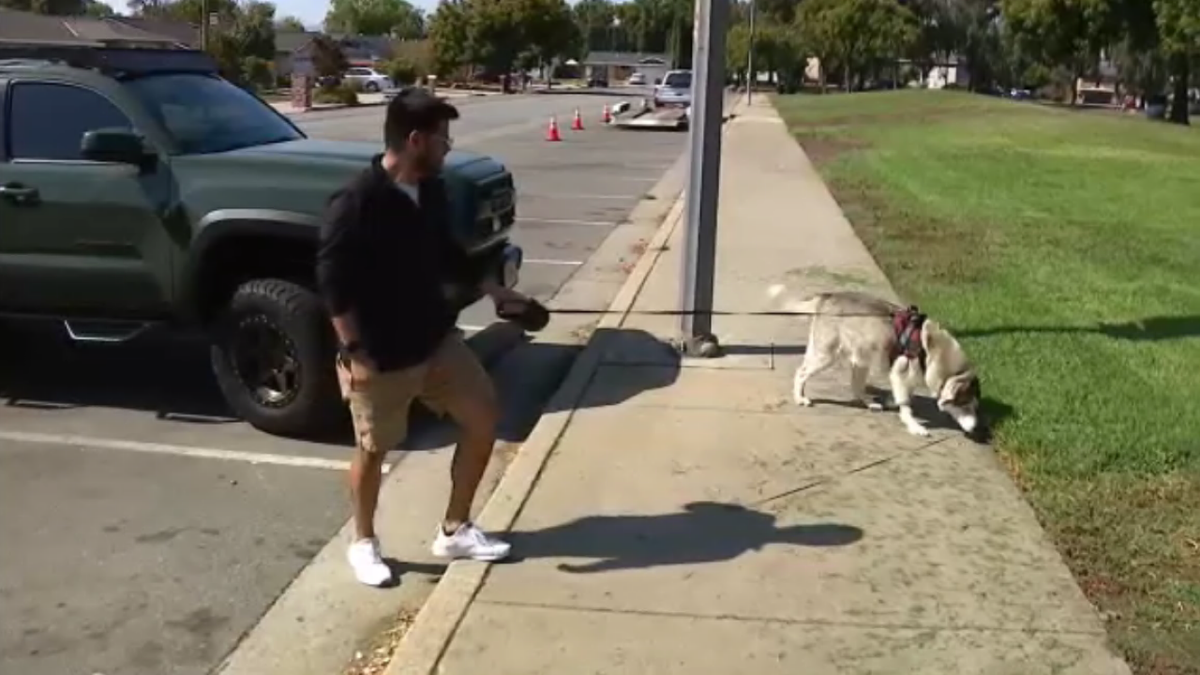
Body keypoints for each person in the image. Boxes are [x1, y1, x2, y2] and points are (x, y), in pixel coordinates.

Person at [317, 88, 532, 587]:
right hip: (380, 353)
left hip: (434, 339)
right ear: (415, 140)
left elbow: (448, 255)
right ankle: (363, 542)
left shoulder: (433, 191)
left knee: (484, 418)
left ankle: (455, 529)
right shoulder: (356, 203)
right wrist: (354, 353)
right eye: (442, 139)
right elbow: (332, 287)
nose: (448, 147)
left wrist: (495, 290)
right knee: (374, 450)